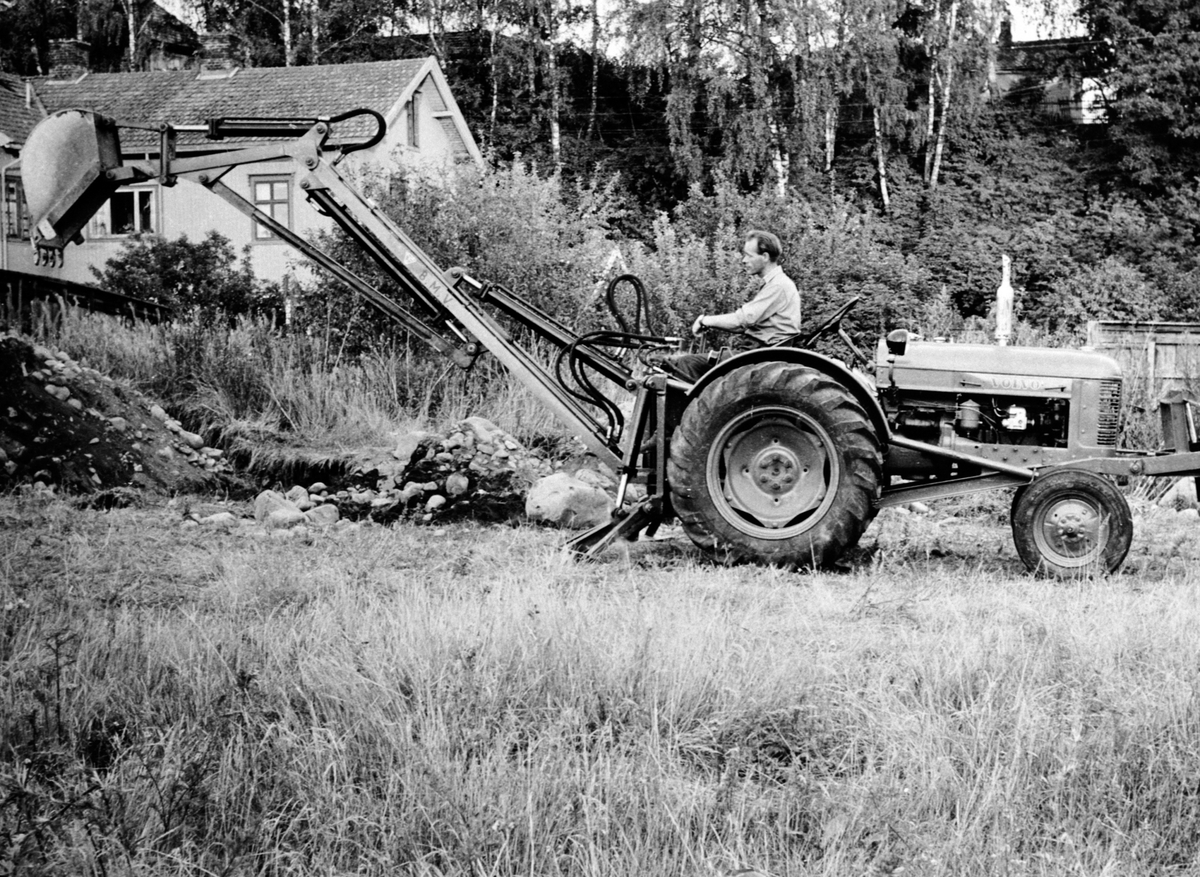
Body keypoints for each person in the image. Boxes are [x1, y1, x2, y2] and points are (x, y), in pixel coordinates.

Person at [661, 229, 802, 383]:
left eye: (749, 255)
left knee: (685, 363)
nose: (743, 260)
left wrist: (704, 320)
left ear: (765, 257)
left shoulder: (779, 286)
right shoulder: (777, 284)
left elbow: (741, 321)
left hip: (758, 356)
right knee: (683, 362)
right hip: (759, 352)